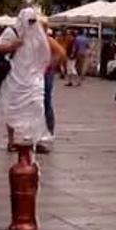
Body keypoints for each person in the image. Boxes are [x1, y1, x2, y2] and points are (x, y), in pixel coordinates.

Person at [2, 8, 52, 150]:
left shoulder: (39, 35)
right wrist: (12, 46)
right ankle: (14, 140)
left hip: (34, 79)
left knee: (37, 106)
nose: (31, 24)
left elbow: (48, 53)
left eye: (33, 21)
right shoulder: (11, 32)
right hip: (16, 78)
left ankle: (38, 138)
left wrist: (44, 69)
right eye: (29, 21)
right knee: (14, 109)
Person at [42, 19, 67, 152]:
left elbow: (62, 53)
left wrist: (51, 63)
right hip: (38, 73)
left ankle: (49, 129)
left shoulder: (47, 39)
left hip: (45, 73)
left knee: (46, 100)